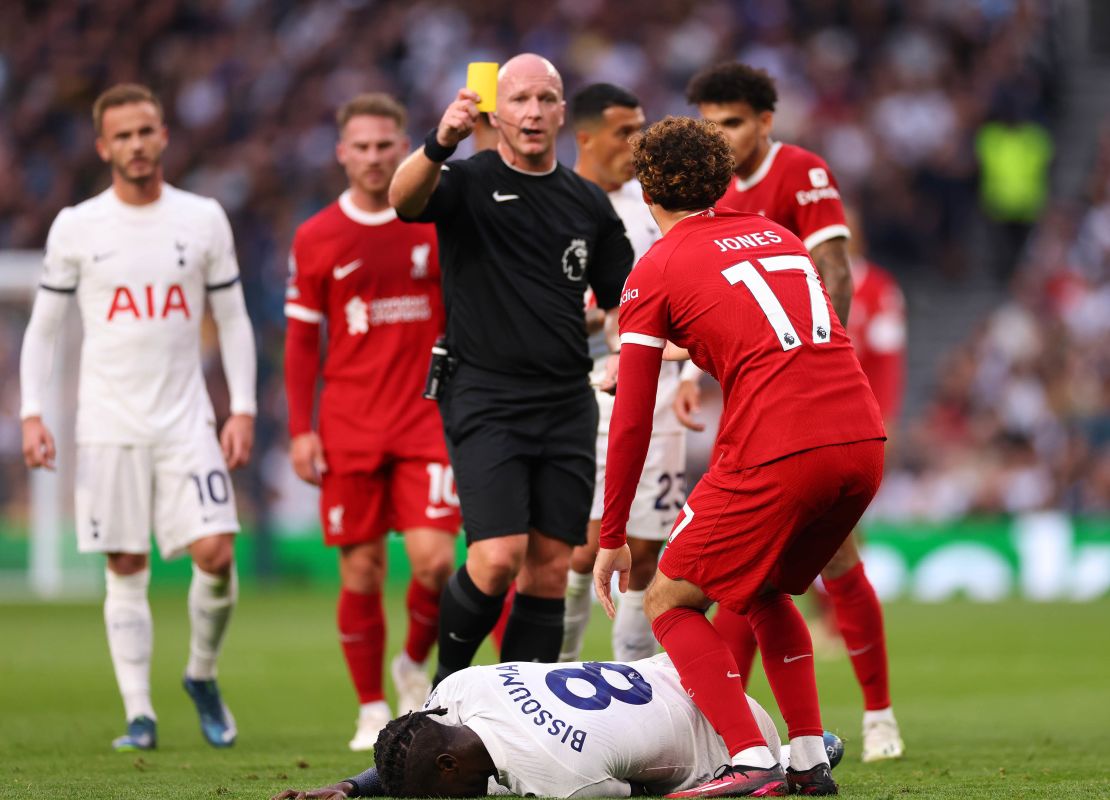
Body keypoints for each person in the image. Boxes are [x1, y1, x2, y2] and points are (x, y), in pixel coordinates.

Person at [594, 116, 886, 797]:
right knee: (762, 589)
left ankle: (750, 755)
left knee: (669, 598)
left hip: (780, 450)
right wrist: (690, 348)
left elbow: (633, 417)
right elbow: (773, 335)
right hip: (861, 441)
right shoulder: (777, 236)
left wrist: (613, 537)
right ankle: (809, 760)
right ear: (724, 180)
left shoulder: (655, 268)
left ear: (646, 191)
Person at [19, 83, 256, 751]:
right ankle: (139, 715)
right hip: (107, 425)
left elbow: (233, 319)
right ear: (103, 147)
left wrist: (241, 407)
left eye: (145, 131)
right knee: (125, 565)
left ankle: (201, 676)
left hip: (186, 421)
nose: (136, 144)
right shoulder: (77, 225)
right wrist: (32, 413)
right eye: (122, 135)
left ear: (164, 136)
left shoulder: (203, 217)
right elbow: (43, 328)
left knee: (216, 551)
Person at [679, 62, 904, 763]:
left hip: (807, 401)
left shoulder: (800, 172)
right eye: (710, 123)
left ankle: (878, 713)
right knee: (751, 566)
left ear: (765, 123)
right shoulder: (704, 192)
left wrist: (816, 361)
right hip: (749, 404)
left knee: (832, 555)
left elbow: (833, 269)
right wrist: (689, 369)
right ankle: (730, 729)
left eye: (734, 122)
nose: (721, 135)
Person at [388, 54, 633, 683]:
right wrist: (441, 141)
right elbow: (403, 201)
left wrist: (623, 353)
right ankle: (441, 693)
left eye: (546, 99)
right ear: (495, 112)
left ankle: (514, 720)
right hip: (484, 393)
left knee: (552, 567)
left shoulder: (588, 205)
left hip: (564, 400)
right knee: (497, 558)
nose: (532, 111)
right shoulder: (466, 180)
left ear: (561, 113)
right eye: (519, 98)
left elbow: (621, 303)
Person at [284, 93, 461, 750]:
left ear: (403, 145)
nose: (373, 157)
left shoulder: (435, 218)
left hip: (426, 416)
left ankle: (412, 663)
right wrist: (302, 427)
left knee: (435, 561)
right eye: (360, 146)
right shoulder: (316, 237)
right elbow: (303, 342)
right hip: (350, 422)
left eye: (385, 144)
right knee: (360, 570)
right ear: (341, 153)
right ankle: (368, 706)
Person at [271, 654, 845, 800]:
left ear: (448, 765)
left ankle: (801, 756)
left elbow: (637, 789)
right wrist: (352, 785)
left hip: (728, 738)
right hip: (680, 673)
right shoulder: (458, 689)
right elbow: (420, 747)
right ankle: (807, 750)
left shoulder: (562, 778)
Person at [560, 83, 681, 664]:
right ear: (584, 137)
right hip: (576, 389)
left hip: (655, 391)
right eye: (623, 132)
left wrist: (687, 381)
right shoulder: (554, 203)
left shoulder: (655, 207)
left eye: (642, 127)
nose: (637, 143)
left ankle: (627, 680)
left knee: (645, 547)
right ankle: (554, 674)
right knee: (583, 549)